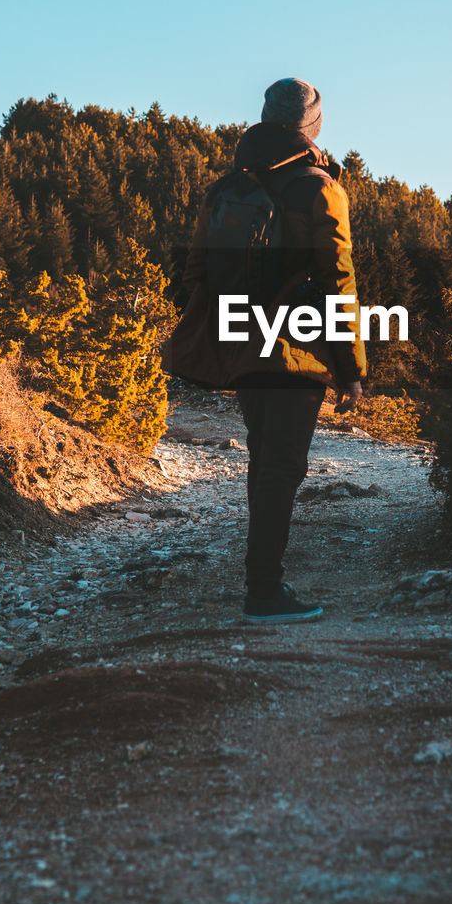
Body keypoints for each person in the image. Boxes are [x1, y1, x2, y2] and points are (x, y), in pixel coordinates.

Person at [163, 77, 366, 623]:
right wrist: (350, 368)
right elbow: (336, 280)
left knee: (266, 462)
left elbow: (195, 274)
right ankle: (264, 595)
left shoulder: (227, 188)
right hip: (294, 352)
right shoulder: (319, 187)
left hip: (240, 348)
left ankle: (263, 585)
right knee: (280, 467)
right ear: (313, 127)